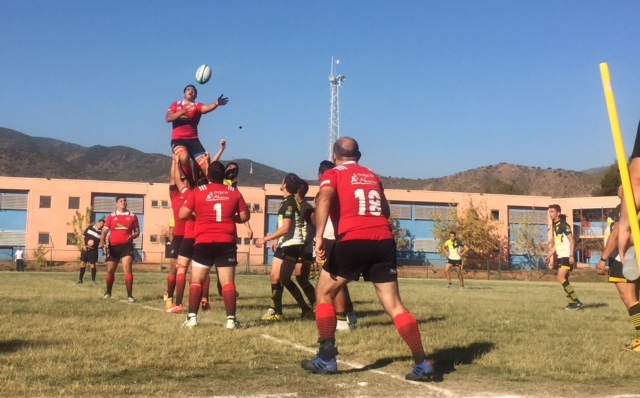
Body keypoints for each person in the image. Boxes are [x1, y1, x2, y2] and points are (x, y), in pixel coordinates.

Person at [303, 137, 434, 381]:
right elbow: (385, 210)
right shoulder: (373, 175)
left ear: (334, 156)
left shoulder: (333, 173)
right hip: (383, 239)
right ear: (359, 156)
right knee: (394, 305)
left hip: (352, 239)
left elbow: (323, 198)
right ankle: (422, 362)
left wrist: (319, 236)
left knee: (324, 294)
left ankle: (327, 359)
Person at [179, 161, 250, 329]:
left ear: (208, 175)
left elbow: (183, 214)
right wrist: (230, 218)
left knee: (197, 280)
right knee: (227, 282)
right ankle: (231, 320)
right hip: (226, 241)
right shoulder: (234, 192)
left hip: (203, 240)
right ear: (223, 175)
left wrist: (200, 216)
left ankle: (192, 318)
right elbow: (245, 216)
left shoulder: (197, 192)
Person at [255, 173, 313, 321]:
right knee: (275, 277)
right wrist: (278, 240)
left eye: (282, 180)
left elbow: (286, 228)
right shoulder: (288, 201)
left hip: (292, 245)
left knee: (285, 278)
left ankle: (305, 308)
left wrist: (265, 239)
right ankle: (277, 310)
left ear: (285, 185)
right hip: (285, 244)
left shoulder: (289, 202)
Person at [315, 160, 357, 331]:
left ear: (321, 175)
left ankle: (340, 319)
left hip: (331, 237)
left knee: (331, 281)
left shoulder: (325, 191)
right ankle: (350, 314)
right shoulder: (345, 188)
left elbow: (318, 216)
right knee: (340, 281)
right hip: (342, 235)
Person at [597, 186, 640, 351]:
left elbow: (616, 234)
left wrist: (603, 259)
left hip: (622, 258)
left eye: (622, 185)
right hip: (633, 256)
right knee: (635, 298)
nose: (618, 188)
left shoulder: (623, 209)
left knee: (629, 299)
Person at [166, 85, 228, 185]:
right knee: (184, 157)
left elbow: (206, 108)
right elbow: (168, 118)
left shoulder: (197, 106)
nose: (191, 91)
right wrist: (183, 111)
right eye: (188, 90)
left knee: (206, 166)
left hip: (193, 140)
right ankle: (191, 182)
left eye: (193, 90)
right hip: (178, 140)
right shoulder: (175, 104)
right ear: (184, 94)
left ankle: (213, 187)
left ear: (196, 95)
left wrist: (216, 103)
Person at [99, 196, 140, 302]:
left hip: (127, 246)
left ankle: (130, 295)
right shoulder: (111, 216)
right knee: (110, 270)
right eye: (121, 201)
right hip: (113, 246)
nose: (123, 202)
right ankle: (108, 292)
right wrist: (102, 240)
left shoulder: (132, 216)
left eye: (125, 201)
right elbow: (104, 230)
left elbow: (137, 231)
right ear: (117, 204)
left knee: (128, 269)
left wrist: (133, 236)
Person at [545, 204, 584, 310]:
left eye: (552, 211)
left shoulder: (563, 225)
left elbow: (572, 240)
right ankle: (571, 304)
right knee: (565, 279)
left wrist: (571, 255)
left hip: (566, 256)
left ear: (558, 213)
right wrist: (549, 255)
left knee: (560, 278)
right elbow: (557, 244)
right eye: (549, 212)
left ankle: (577, 301)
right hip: (560, 256)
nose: (550, 214)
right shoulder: (555, 226)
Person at [77, 218, 105, 284]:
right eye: (101, 223)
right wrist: (83, 245)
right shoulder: (90, 227)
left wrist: (104, 250)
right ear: (98, 223)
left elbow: (102, 242)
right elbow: (83, 236)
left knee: (93, 265)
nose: (101, 225)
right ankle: (80, 280)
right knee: (83, 263)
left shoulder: (101, 233)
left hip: (93, 250)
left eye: (103, 225)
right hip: (85, 248)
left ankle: (93, 281)